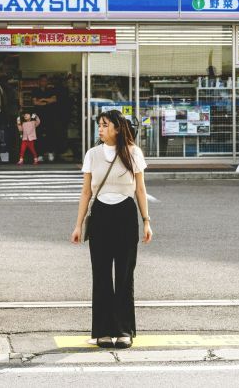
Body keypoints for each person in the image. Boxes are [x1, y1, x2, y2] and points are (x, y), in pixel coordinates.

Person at [71, 109, 153, 350]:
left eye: (105, 125)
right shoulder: (92, 154)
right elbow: (86, 192)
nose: (101, 129)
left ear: (117, 128)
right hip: (100, 217)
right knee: (102, 274)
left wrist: (146, 220)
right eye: (99, 125)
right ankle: (103, 331)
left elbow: (140, 190)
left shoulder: (133, 152)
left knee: (125, 275)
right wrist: (78, 225)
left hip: (126, 214)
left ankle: (124, 330)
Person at [32, 74, 59, 162]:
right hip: (38, 117)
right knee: (38, 134)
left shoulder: (51, 90)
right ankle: (39, 154)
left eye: (45, 81)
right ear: (39, 82)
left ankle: (50, 152)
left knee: (50, 133)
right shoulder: (35, 90)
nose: (44, 82)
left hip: (50, 116)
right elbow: (35, 102)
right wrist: (47, 101)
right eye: (42, 80)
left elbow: (54, 99)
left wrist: (43, 99)